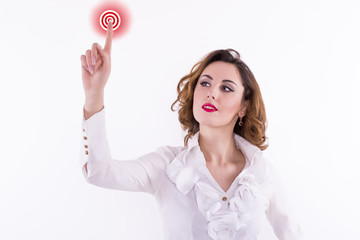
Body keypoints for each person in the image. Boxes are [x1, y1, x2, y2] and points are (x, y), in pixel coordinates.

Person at [79, 20, 302, 240]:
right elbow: (99, 172)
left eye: (226, 88)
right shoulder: (167, 165)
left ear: (243, 106)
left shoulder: (261, 173)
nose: (211, 92)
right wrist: (94, 94)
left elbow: (292, 234)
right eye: (205, 83)